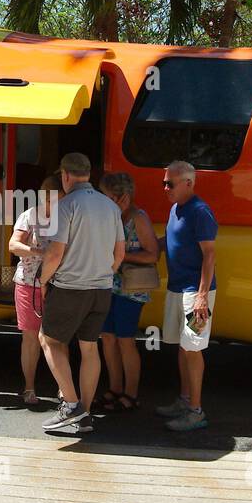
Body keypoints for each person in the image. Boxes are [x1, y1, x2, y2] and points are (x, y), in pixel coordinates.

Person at [37, 152, 124, 432]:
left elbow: (55, 253)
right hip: (101, 288)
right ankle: (84, 415)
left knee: (48, 340)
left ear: (65, 175)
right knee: (89, 347)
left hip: (70, 287)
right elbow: (119, 253)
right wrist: (102, 272)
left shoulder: (67, 205)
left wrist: (42, 280)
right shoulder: (110, 206)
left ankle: (71, 405)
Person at [155, 160, 218, 432]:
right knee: (182, 347)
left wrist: (202, 296)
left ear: (189, 183)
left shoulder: (200, 212)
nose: (165, 188)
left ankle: (196, 411)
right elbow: (167, 242)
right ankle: (184, 401)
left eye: (170, 183)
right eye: (164, 182)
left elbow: (210, 255)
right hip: (177, 289)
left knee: (193, 348)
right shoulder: (175, 209)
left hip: (195, 294)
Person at [94, 171, 159, 413]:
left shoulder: (138, 218)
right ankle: (115, 388)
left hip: (131, 290)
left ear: (121, 197)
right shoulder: (109, 217)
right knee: (108, 339)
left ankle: (131, 393)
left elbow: (153, 254)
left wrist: (121, 257)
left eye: (107, 195)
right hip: (108, 285)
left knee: (125, 340)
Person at [8, 174, 63, 406]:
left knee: (58, 338)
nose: (53, 205)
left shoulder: (67, 216)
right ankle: (29, 388)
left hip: (58, 284)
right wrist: (41, 254)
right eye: (50, 200)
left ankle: (63, 388)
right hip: (28, 283)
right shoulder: (29, 215)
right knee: (30, 337)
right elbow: (13, 245)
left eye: (58, 199)